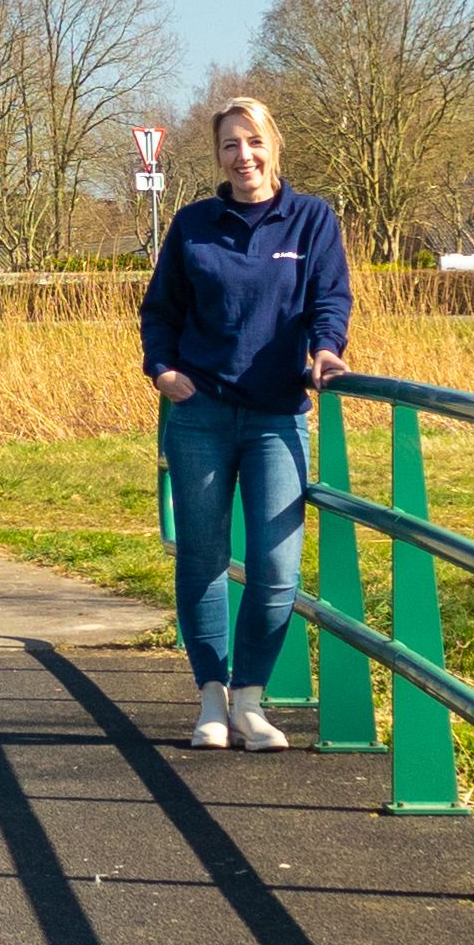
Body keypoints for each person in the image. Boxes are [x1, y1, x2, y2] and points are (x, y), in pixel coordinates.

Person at [140, 95, 355, 751]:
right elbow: (160, 310)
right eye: (231, 144)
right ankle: (211, 696)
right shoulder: (193, 224)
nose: (244, 156)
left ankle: (251, 701)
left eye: (254, 141)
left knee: (276, 567)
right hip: (200, 414)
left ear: (274, 146)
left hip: (277, 415)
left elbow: (329, 298)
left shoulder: (311, 219)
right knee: (202, 558)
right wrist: (161, 368)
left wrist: (326, 349)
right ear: (218, 155)